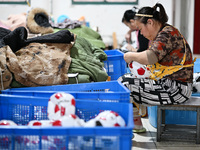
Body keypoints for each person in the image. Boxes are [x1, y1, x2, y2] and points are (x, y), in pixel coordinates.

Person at [121, 3, 194, 107]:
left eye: (140, 29)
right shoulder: (163, 32)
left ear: (150, 22)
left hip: (176, 90)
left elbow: (150, 57)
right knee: (125, 79)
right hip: (168, 83)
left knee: (125, 85)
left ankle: (131, 116)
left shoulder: (167, 34)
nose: (141, 33)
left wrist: (130, 55)